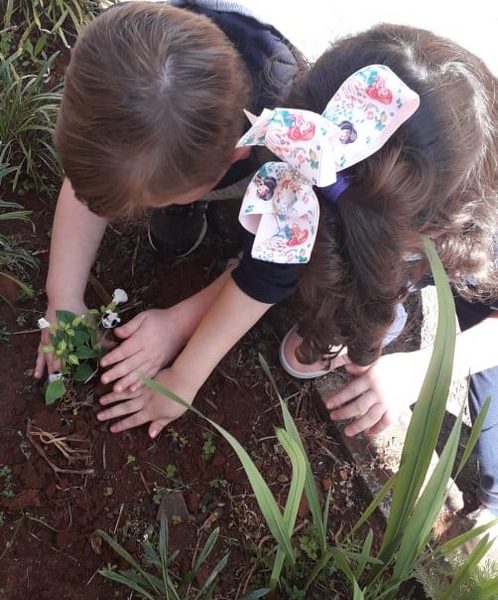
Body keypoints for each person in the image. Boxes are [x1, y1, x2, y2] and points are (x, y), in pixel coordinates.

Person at [34, 1, 302, 378]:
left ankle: (196, 202)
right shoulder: (120, 55)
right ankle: (180, 201)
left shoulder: (289, 152)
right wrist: (63, 295)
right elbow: (90, 181)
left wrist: (178, 325)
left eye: (153, 200)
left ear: (232, 157)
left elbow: (271, 268)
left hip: (260, 160)